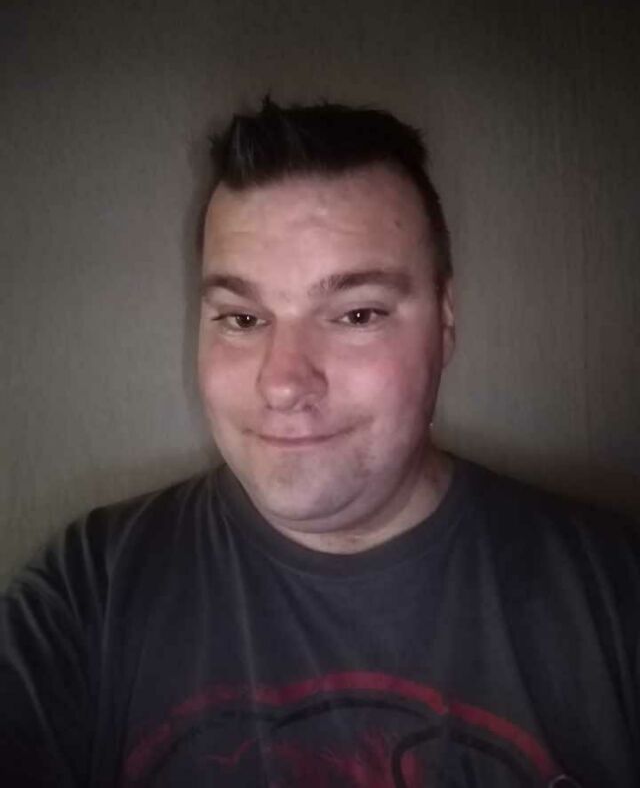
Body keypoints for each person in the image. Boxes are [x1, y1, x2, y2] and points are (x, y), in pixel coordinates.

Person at [1, 99, 639, 788]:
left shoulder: (615, 595)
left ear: (446, 321)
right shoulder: (87, 592)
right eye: (242, 318)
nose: (283, 383)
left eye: (357, 313)